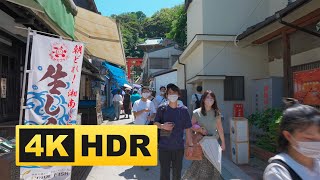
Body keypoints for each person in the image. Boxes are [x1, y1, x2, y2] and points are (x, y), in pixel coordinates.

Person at [263, 98, 320, 180]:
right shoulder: (278, 171)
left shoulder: (317, 162)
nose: (317, 142)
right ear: (288, 136)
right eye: (309, 137)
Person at [182, 90, 226, 180]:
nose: (210, 100)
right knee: (201, 166)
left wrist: (223, 143)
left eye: (212, 98)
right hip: (201, 142)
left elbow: (220, 129)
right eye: (208, 97)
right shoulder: (197, 112)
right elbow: (190, 126)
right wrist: (199, 129)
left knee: (215, 166)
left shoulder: (216, 112)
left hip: (214, 142)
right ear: (203, 99)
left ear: (214, 100)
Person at [154, 83, 193, 180]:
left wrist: (190, 146)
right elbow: (155, 123)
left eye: (174, 92)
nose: (172, 95)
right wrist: (162, 126)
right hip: (164, 147)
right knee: (164, 173)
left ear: (179, 95)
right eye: (170, 93)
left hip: (178, 147)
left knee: (177, 173)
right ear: (166, 95)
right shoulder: (162, 108)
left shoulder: (184, 110)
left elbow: (188, 129)